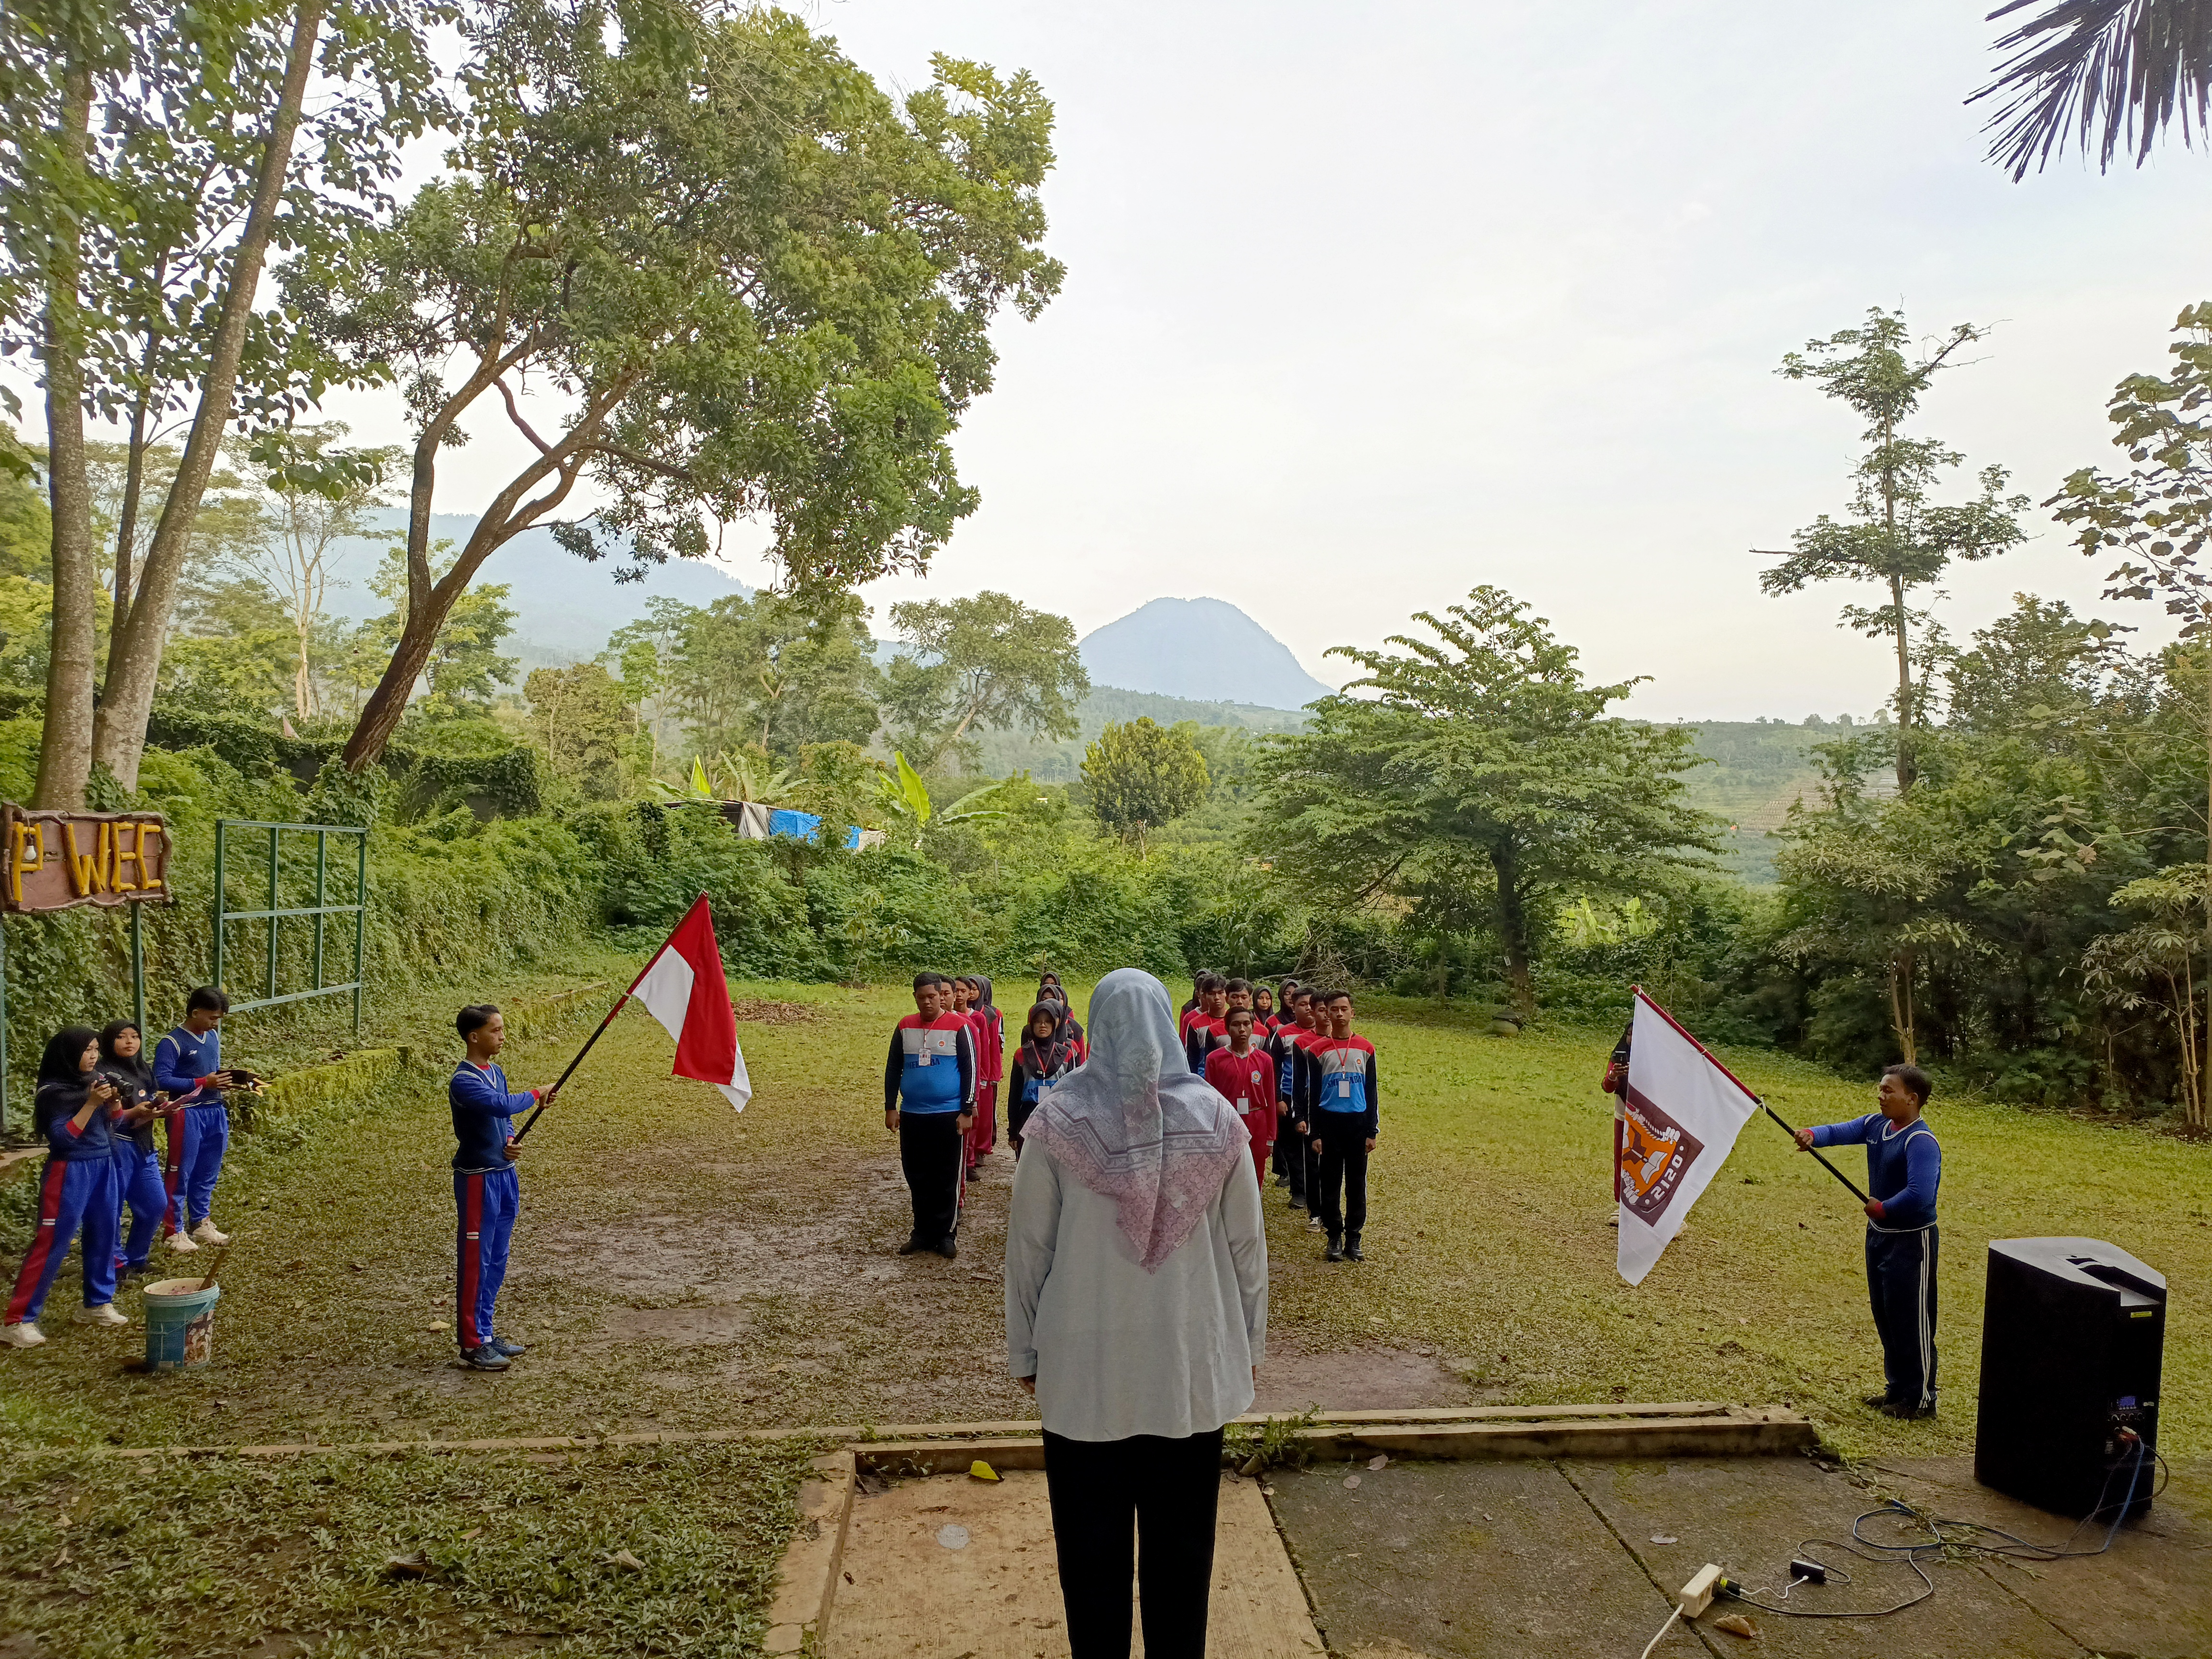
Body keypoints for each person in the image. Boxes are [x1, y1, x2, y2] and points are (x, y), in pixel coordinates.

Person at [1006, 969, 1267, 1659]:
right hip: (1188, 1371)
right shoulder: (1216, 1119)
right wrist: (1247, 1345)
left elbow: (1028, 1251)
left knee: (1090, 1558)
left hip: (1085, 1375)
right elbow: (1248, 1249)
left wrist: (1026, 1353)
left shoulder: (1058, 1121)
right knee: (1183, 1555)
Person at [1794, 1064, 1942, 1419]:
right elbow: (1841, 1131)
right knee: (1887, 1314)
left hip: (1911, 1241)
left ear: (1913, 1098)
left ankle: (1921, 1399)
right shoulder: (1876, 1126)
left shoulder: (1921, 1142)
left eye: (1889, 1091)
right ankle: (1896, 1390)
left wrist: (1884, 1207)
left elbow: (1921, 1195)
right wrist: (1813, 1135)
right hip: (1879, 1235)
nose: (1881, 1095)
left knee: (1912, 1319)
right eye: (1881, 1089)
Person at [450, 1003, 557, 1372]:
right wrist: (537, 1092)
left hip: (504, 1173)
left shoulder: (496, 1071)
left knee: (496, 1257)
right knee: (475, 1261)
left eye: (502, 1029)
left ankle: (486, 1332)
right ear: (474, 1036)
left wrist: (510, 1140)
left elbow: (505, 1118)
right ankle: (471, 1343)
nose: (502, 1036)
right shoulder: (464, 1081)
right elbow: (499, 1105)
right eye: (495, 1031)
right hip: (478, 1179)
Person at [3, 1029, 126, 1347]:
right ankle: (18, 1320)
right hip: (69, 1169)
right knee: (52, 1242)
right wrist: (90, 1103)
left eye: (97, 1049)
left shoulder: (96, 1081)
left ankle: (97, 1303)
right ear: (68, 1055)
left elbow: (118, 1121)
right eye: (87, 1050)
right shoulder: (53, 1092)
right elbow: (63, 1138)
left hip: (104, 1163)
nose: (94, 1056)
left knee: (104, 1232)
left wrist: (113, 1103)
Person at [885, 972, 977, 1259]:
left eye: (933, 997)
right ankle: (922, 1233)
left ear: (942, 997)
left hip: (949, 1115)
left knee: (946, 1176)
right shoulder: (904, 1027)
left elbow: (970, 1070)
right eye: (922, 997)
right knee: (917, 1175)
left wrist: (966, 1109)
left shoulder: (959, 1027)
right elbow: (893, 1068)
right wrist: (891, 1107)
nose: (928, 1002)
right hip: (913, 1115)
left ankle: (946, 1235)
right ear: (915, 997)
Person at [154, 986, 244, 1253]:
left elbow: (213, 1072)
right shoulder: (172, 1043)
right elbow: (162, 1079)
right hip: (187, 1113)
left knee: (208, 1170)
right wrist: (202, 1082)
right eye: (212, 1018)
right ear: (196, 1013)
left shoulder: (213, 1037)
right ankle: (174, 1230)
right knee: (181, 1171)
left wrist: (227, 1082)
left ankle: (201, 1221)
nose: (216, 1023)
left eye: (219, 1019)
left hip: (215, 1111)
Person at [1303, 990, 1378, 1262]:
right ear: (1326, 1013)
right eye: (1333, 1009)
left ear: (1352, 1013)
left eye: (1344, 1009)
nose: (1339, 1014)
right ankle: (1334, 1236)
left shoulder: (1366, 1049)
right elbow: (1312, 1094)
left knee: (1357, 1184)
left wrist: (1372, 1131)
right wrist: (1316, 1133)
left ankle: (1354, 1237)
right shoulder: (1317, 1050)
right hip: (1329, 1123)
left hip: (1358, 1125)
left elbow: (1372, 1092)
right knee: (1330, 1183)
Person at [98, 1021, 169, 1285]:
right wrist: (133, 1114)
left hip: (143, 1144)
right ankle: (115, 1263)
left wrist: (160, 1107)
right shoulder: (102, 1074)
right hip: (116, 1145)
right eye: (121, 1037)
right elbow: (102, 1117)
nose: (130, 1042)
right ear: (109, 1042)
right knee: (112, 1207)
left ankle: (137, 1257)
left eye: (135, 1036)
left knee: (155, 1204)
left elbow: (149, 1099)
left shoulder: (143, 1069)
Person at [1203, 1005, 1276, 1190]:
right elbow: (1211, 1100)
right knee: (1229, 1169)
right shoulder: (1215, 1059)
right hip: (1229, 1120)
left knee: (1256, 1169)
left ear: (1253, 1027)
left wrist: (1271, 1136)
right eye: (1236, 1025)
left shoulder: (1265, 1060)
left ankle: (1254, 1210)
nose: (1241, 1030)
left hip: (1257, 1120)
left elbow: (1270, 1098)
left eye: (1246, 1024)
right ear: (1227, 1028)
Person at [1008, 1000, 1081, 1157]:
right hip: (1028, 1116)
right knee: (1028, 1166)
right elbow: (1014, 1094)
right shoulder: (1021, 1054)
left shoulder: (1066, 1054)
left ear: (1055, 1025)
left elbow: (1073, 1094)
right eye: (1038, 1021)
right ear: (1032, 1024)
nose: (1043, 1025)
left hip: (1058, 1118)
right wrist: (1013, 1131)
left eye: (1048, 1022)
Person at [966, 975, 1005, 1175]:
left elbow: (996, 1046)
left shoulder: (991, 1014)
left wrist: (993, 1073)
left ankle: (981, 1149)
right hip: (969, 1070)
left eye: (975, 989)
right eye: (968, 989)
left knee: (984, 1114)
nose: (971, 993)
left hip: (987, 1070)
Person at [1181, 976, 1229, 1073]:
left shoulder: (1234, 1021)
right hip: (1203, 1077)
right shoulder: (1195, 1024)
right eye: (1211, 994)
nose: (1217, 998)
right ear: (1204, 996)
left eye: (1220, 993)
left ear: (1226, 995)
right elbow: (1192, 1058)